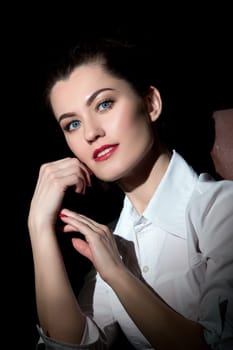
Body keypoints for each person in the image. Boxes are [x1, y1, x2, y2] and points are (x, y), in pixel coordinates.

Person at [28, 34, 233, 350]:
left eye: (104, 104)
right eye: (72, 125)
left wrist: (117, 273)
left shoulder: (221, 208)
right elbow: (74, 345)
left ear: (151, 103)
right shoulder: (111, 238)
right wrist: (38, 227)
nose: (92, 133)